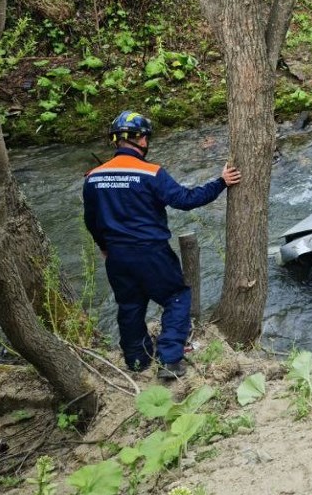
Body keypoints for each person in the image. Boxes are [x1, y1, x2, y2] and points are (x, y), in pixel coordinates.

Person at [83, 111, 241, 380]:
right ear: (142, 140)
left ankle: (136, 361)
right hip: (151, 252)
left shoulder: (93, 177)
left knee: (130, 306)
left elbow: (91, 220)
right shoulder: (150, 172)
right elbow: (185, 199)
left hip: (117, 255)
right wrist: (220, 182)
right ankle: (169, 359)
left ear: (115, 141)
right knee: (177, 297)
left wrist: (104, 247)